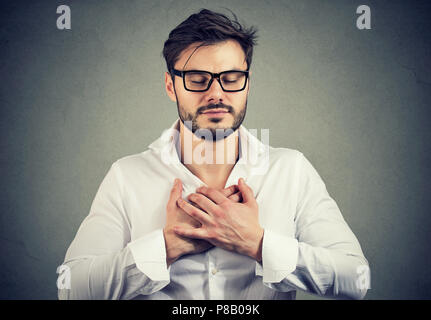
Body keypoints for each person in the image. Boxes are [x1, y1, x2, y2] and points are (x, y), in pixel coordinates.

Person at [58, 9, 370, 300]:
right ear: (171, 86)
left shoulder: (292, 170)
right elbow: (70, 287)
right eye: (197, 79)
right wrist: (166, 246)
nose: (216, 94)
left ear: (247, 84)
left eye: (232, 79)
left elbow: (357, 279)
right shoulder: (126, 176)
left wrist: (258, 244)